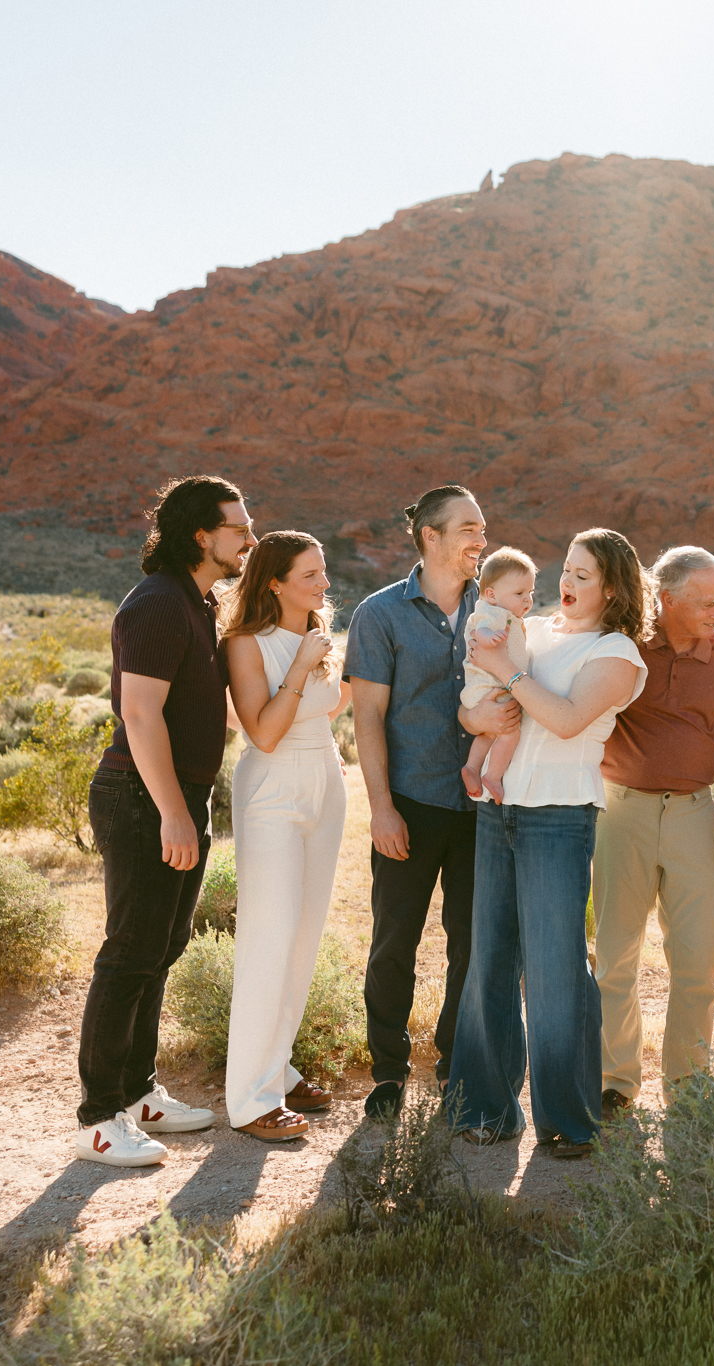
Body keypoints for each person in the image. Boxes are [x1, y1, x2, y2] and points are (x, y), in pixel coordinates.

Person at [448, 528, 650, 1157]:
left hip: (559, 819)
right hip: (497, 809)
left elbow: (563, 720)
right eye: (566, 569)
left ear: (613, 588)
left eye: (583, 575)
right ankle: (485, 1106)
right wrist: (474, 717)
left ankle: (568, 1118)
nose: (566, 582)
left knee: (556, 967)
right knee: (489, 959)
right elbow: (478, 703)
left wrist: (506, 670)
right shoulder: (530, 629)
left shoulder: (618, 654)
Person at [75, 475, 253, 1167]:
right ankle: (99, 1118)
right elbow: (139, 716)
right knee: (128, 953)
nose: (249, 538)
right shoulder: (155, 604)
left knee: (163, 947)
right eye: (238, 528)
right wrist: (173, 813)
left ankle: (139, 1092)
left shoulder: (197, 603)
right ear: (201, 536)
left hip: (177, 795)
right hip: (142, 797)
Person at [344, 485, 517, 1119]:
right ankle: (388, 1071)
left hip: (482, 811)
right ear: (431, 537)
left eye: (483, 527)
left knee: (472, 945)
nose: (481, 539)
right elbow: (368, 717)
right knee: (394, 942)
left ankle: (455, 1066)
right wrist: (381, 807)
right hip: (411, 804)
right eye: (468, 528)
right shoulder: (380, 614)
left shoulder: (497, 610)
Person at [593, 545, 714, 1120]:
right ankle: (615, 1082)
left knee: (698, 957)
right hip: (621, 811)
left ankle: (689, 1084)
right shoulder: (624, 644)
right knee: (614, 955)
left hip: (692, 813)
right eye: (707, 602)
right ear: (668, 599)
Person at [220, 531, 349, 1141]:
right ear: (273, 581)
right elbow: (264, 733)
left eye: (323, 572)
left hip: (327, 781)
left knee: (302, 940)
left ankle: (278, 1067)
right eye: (309, 575)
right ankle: (248, 1099)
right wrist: (300, 667)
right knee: (268, 942)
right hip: (272, 790)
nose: (324, 584)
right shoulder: (247, 644)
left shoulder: (320, 637)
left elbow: (335, 704)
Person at [458, 547, 538, 803]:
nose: (527, 599)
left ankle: (471, 767)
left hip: (483, 692)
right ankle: (493, 775)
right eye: (519, 593)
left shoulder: (508, 615)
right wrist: (489, 638)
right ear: (491, 594)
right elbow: (477, 628)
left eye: (530, 593)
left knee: (489, 733)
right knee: (509, 732)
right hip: (488, 687)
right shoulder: (492, 612)